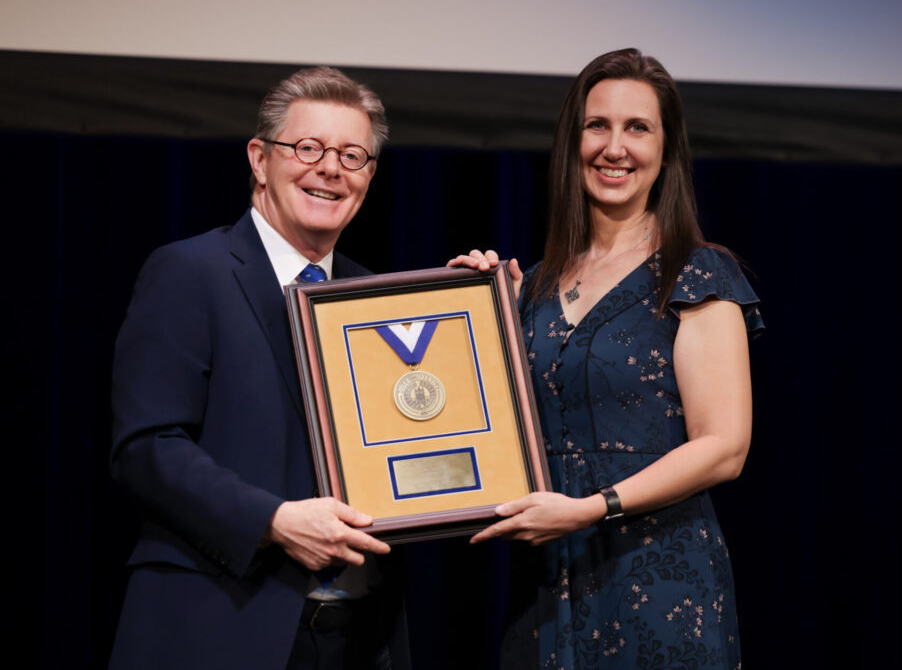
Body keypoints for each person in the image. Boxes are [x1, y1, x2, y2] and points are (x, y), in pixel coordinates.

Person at [455, 48, 763, 668]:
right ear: (573, 142)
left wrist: (593, 508)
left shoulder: (697, 273)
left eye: (637, 128)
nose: (614, 147)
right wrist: (477, 313)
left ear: (666, 151)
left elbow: (724, 447)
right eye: (597, 125)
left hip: (661, 584)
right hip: (546, 588)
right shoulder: (533, 288)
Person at [109, 67, 406, 670]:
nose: (331, 169)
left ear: (369, 177)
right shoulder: (190, 272)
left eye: (352, 156)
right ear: (259, 159)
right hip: (218, 625)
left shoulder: (380, 298)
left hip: (359, 636)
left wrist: (480, 309)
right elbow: (146, 447)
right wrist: (272, 521)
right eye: (308, 148)